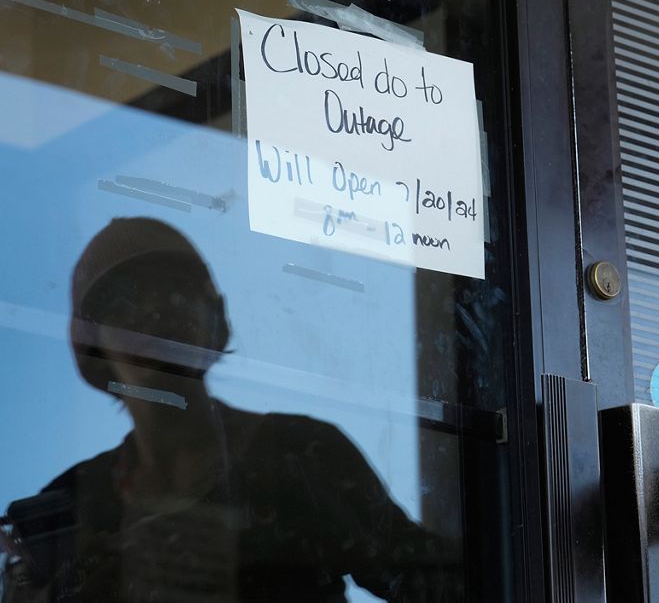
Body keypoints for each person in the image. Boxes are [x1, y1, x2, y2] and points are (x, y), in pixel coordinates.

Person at [1, 218, 455, 603]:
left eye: (174, 292)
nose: (155, 313)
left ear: (212, 317)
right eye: (125, 305)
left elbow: (443, 584)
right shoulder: (66, 509)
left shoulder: (302, 456)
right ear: (93, 347)